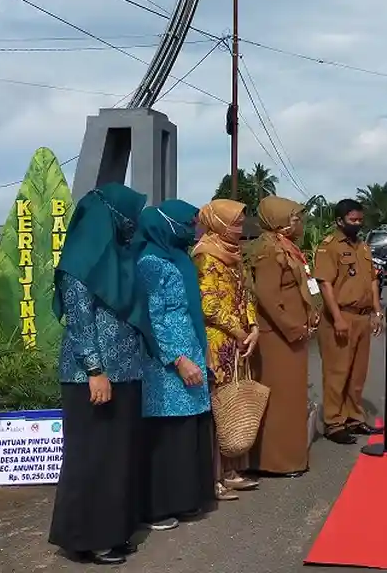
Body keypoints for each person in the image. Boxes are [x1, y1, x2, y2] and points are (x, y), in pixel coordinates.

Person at [48, 184, 148, 565]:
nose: (134, 223)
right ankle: (84, 537)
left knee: (116, 457)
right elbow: (79, 321)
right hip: (91, 377)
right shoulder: (80, 261)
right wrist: (95, 370)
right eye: (130, 215)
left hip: (125, 372)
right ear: (113, 216)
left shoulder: (118, 260)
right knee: (92, 457)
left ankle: (112, 530)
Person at [134, 199, 214, 530]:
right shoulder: (150, 263)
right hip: (165, 361)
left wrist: (199, 352)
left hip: (191, 349)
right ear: (167, 225)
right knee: (169, 431)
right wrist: (177, 359)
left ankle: (187, 499)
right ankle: (160, 505)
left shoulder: (178, 258)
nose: (193, 229)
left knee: (190, 428)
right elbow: (153, 319)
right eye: (188, 223)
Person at [192, 198, 259, 499]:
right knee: (219, 405)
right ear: (218, 223)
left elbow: (246, 294)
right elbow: (209, 304)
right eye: (234, 222)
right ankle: (215, 477)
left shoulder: (234, 254)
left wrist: (254, 327)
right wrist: (238, 330)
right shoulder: (206, 256)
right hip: (218, 340)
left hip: (239, 340)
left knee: (235, 404)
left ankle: (232, 470)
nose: (240, 227)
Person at [248, 195, 318, 476]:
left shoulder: (286, 247)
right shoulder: (268, 251)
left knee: (292, 398)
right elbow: (268, 296)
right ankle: (276, 461)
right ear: (277, 219)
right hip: (278, 336)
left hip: (292, 335)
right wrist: (293, 327)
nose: (298, 222)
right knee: (280, 400)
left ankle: (290, 456)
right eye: (293, 217)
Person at [314, 199, 383, 444]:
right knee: (337, 372)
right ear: (339, 221)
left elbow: (373, 281)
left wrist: (377, 311)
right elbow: (325, 284)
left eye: (359, 220)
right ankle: (334, 423)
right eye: (352, 220)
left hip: (363, 317)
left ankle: (354, 418)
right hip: (340, 316)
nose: (357, 224)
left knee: (357, 373)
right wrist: (337, 318)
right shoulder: (329, 247)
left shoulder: (364, 247)